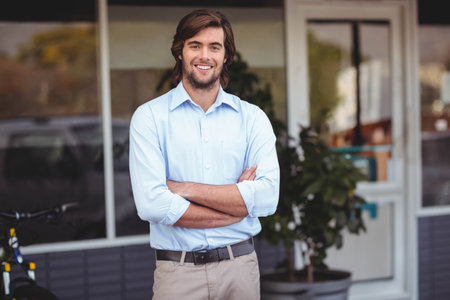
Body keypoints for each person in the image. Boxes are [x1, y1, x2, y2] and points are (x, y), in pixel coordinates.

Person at [129, 8, 280, 300]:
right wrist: (236, 206)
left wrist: (184, 189)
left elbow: (266, 198)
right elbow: (153, 205)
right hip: (178, 273)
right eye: (194, 45)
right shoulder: (149, 117)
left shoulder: (252, 118)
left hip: (240, 270)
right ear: (180, 52)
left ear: (226, 56)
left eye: (214, 47)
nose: (204, 56)